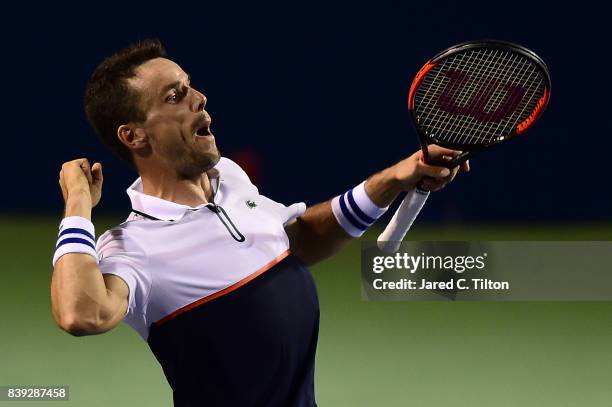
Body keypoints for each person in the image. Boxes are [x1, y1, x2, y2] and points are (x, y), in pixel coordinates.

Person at [50, 39, 468, 407]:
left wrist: (398, 177)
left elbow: (298, 240)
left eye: (190, 84)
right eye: (175, 96)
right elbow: (80, 314)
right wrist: (78, 205)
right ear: (134, 136)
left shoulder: (230, 176)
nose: (199, 98)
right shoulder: (134, 246)